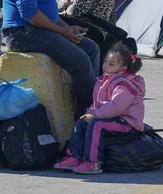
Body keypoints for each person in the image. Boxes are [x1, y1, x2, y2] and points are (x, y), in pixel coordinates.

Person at [2, 0, 100, 118]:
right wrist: (61, 31)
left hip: (37, 29)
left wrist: (67, 28)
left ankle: (90, 104)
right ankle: (86, 118)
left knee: (91, 48)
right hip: (21, 32)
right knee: (80, 60)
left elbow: (48, 10)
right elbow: (29, 12)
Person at [55, 42, 145, 175]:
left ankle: (93, 162)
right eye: (105, 62)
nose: (105, 66)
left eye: (111, 64)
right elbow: (97, 102)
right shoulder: (104, 80)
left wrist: (96, 115)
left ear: (124, 67)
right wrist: (90, 112)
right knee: (81, 122)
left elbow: (116, 107)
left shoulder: (125, 84)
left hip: (127, 123)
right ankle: (74, 157)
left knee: (97, 125)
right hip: (109, 117)